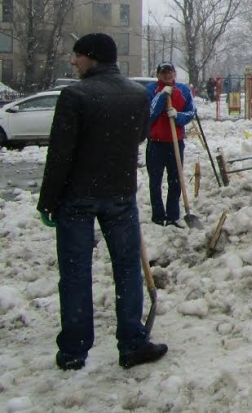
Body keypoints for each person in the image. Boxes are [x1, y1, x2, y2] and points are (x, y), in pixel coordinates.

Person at [37, 33, 168, 371]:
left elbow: (60, 153)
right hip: (121, 195)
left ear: (92, 58)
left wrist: (47, 201)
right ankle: (132, 343)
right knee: (127, 270)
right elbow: (139, 134)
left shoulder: (75, 95)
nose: (73, 61)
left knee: (76, 273)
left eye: (77, 56)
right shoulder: (136, 94)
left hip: (78, 197)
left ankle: (73, 351)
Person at [145, 62, 197, 227]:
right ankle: (158, 216)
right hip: (156, 144)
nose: (167, 75)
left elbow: (191, 112)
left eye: (170, 72)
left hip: (175, 142)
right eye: (163, 73)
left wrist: (178, 116)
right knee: (155, 181)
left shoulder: (183, 90)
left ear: (174, 73)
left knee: (176, 180)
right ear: (158, 75)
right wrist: (161, 97)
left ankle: (173, 215)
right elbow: (149, 115)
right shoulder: (150, 90)